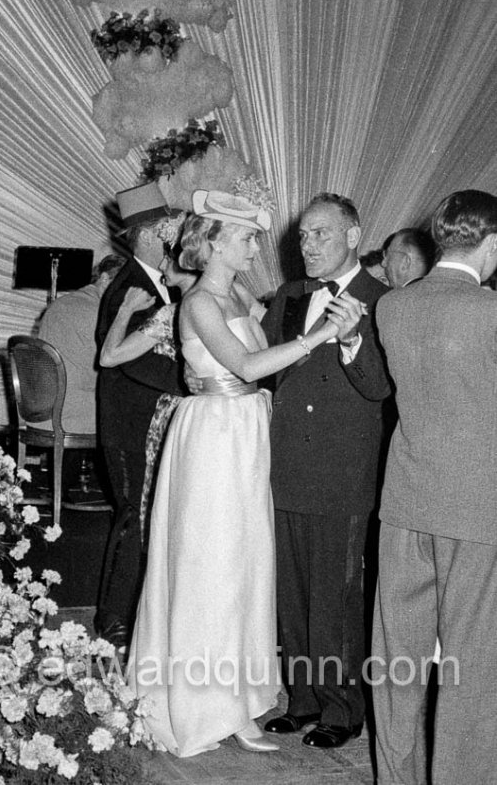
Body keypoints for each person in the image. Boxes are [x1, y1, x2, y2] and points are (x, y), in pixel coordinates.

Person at [127, 190, 366, 758]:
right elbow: (249, 365)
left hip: (246, 431)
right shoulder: (199, 303)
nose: (257, 244)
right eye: (245, 236)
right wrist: (321, 336)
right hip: (214, 437)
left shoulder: (237, 291)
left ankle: (239, 703)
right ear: (213, 242)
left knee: (247, 566)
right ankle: (203, 705)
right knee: (212, 564)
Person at [371, 189, 497, 785]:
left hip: (403, 502)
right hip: (476, 507)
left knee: (398, 657)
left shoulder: (392, 307)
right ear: (491, 244)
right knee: (471, 665)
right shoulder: (489, 311)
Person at [262, 192, 391, 749]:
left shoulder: (384, 302)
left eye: (320, 234)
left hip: (342, 473)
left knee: (336, 598)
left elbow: (381, 388)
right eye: (303, 236)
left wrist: (353, 339)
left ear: (354, 236)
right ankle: (303, 700)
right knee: (289, 592)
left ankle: (343, 709)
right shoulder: (290, 296)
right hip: (286, 466)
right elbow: (264, 369)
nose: (307, 245)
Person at [94, 182, 186, 649]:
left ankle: (120, 614)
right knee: (134, 516)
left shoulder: (144, 280)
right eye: (169, 224)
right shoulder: (134, 284)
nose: (175, 231)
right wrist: (192, 380)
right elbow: (132, 359)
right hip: (131, 426)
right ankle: (115, 620)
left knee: (137, 514)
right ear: (151, 233)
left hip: (133, 423)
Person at [99, 236, 197, 542]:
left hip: (180, 418)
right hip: (143, 422)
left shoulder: (181, 305)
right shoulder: (156, 297)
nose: (165, 261)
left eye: (172, 256)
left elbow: (110, 356)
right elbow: (111, 358)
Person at [37, 254, 125, 492]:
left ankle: (61, 489)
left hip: (43, 409)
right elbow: (107, 367)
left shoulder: (60, 304)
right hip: (72, 414)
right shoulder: (99, 313)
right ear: (105, 279)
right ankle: (125, 497)